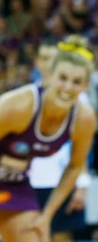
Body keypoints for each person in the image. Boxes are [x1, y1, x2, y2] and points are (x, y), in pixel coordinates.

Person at [0, 38, 97, 242]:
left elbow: (75, 166)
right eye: (63, 78)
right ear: (49, 76)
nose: (68, 87)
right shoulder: (20, 105)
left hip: (13, 178)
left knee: (36, 237)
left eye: (76, 82)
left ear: (85, 86)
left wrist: (46, 216)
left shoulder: (84, 119)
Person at [28, 38, 93, 242]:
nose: (47, 63)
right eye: (44, 58)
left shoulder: (78, 99)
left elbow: (81, 148)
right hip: (30, 183)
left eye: (52, 58)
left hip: (62, 181)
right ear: (37, 62)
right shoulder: (27, 96)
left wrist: (81, 185)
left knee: (62, 238)